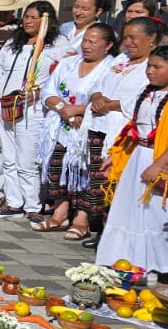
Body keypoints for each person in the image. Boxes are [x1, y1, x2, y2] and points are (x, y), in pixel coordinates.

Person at [96, 46, 168, 277]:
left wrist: (158, 165)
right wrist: (115, 155)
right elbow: (133, 128)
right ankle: (128, 261)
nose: (150, 71)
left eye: (157, 67)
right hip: (137, 158)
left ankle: (165, 266)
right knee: (130, 210)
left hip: (164, 161)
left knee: (159, 213)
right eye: (149, 66)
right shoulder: (145, 92)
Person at [80, 19, 164, 246]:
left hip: (123, 130)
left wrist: (111, 104)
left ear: (152, 38)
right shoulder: (121, 59)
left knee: (116, 182)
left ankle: (114, 234)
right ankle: (103, 231)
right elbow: (98, 81)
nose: (127, 42)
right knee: (98, 181)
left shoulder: (153, 64)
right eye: (125, 37)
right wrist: (97, 97)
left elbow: (143, 96)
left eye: (133, 37)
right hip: (99, 124)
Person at [0, 0, 65, 219]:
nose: (28, 21)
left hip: (32, 109)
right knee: (8, 156)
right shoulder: (13, 44)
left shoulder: (58, 46)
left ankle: (32, 205)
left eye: (34, 17)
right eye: (26, 17)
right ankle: (13, 202)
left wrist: (37, 93)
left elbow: (59, 77)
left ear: (46, 20)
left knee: (26, 159)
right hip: (3, 105)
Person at [36, 23, 118, 238]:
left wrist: (81, 110)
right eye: (85, 40)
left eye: (93, 41)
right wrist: (64, 109)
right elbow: (48, 90)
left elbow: (105, 98)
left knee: (83, 172)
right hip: (61, 125)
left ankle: (81, 219)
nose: (87, 45)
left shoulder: (110, 68)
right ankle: (59, 212)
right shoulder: (69, 63)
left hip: (88, 128)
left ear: (108, 45)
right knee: (57, 166)